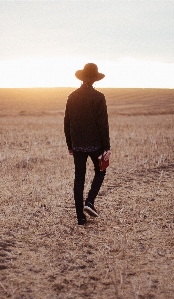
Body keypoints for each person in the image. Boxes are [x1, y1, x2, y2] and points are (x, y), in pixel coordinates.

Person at [64, 63, 111, 225]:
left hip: (77, 144)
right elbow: (103, 124)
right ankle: (89, 202)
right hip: (96, 144)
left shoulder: (72, 96)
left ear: (82, 78)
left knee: (79, 178)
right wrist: (107, 147)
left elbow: (67, 123)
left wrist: (70, 144)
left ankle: (80, 218)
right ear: (95, 79)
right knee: (101, 171)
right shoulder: (99, 97)